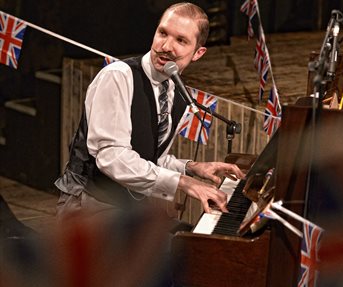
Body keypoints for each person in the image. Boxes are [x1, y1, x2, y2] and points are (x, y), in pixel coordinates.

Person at [55, 2, 245, 219]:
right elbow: (112, 157)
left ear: (198, 53)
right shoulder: (118, 76)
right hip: (89, 202)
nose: (166, 46)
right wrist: (183, 182)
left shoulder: (178, 95)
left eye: (180, 40)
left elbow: (151, 158)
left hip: (128, 205)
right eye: (162, 33)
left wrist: (192, 168)